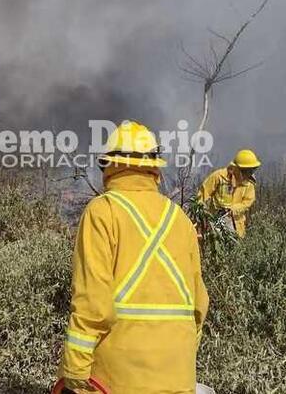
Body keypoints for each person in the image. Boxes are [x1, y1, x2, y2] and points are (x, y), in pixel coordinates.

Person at [58, 120, 209, 394]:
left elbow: (93, 301)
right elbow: (199, 304)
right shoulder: (180, 218)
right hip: (178, 375)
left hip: (119, 378)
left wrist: (75, 369)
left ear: (110, 166)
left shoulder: (102, 211)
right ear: (154, 168)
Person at [197, 149, 260, 238]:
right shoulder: (219, 176)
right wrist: (200, 213)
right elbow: (203, 194)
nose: (249, 173)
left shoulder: (249, 184)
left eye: (252, 170)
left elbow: (247, 202)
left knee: (235, 250)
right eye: (247, 170)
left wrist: (233, 209)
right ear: (237, 168)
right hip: (217, 223)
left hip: (237, 228)